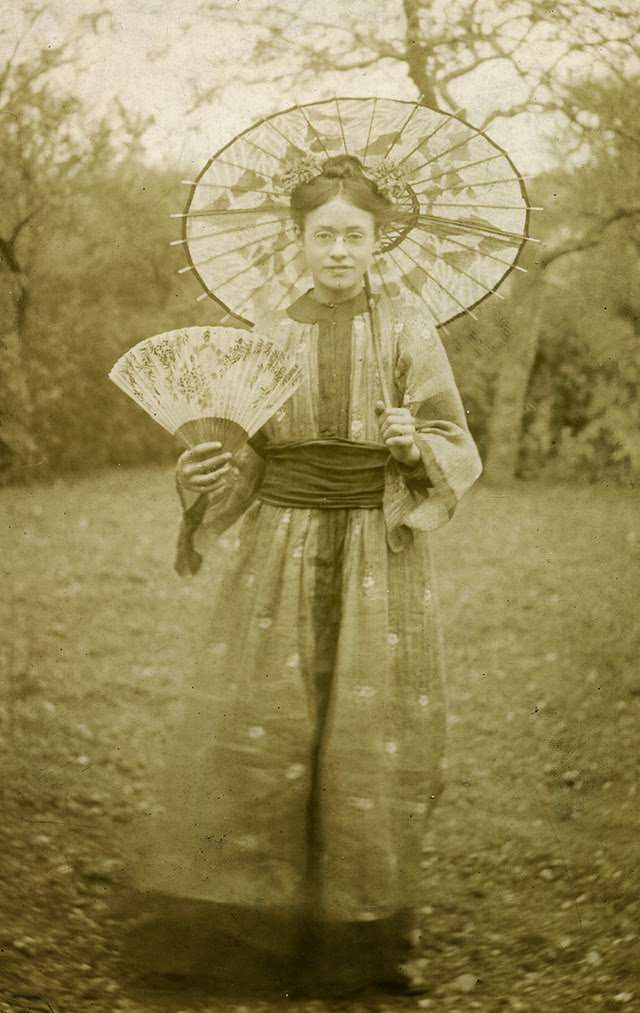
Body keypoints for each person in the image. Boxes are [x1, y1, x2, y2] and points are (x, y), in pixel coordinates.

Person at [124, 154, 482, 998]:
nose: (339, 251)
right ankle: (248, 926)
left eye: (355, 236)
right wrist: (209, 473)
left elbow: (452, 439)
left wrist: (410, 446)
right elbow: (247, 451)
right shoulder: (269, 326)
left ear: (378, 240)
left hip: (376, 548)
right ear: (301, 239)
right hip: (279, 546)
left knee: (367, 732)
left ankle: (354, 939)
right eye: (323, 236)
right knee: (266, 726)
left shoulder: (408, 328)